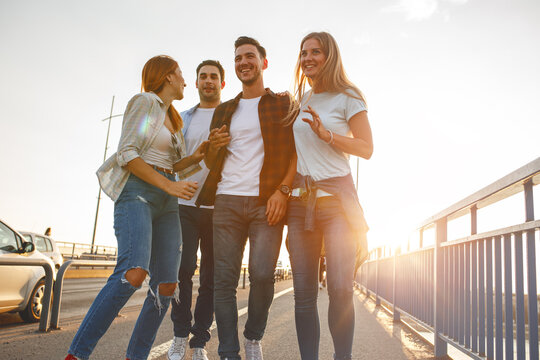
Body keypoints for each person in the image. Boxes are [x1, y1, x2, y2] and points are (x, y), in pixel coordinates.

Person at [65, 55, 208, 360]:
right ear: (168, 76)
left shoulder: (174, 119)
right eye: (181, 74)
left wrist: (199, 156)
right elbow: (127, 153)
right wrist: (169, 185)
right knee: (133, 272)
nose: (185, 81)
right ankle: (77, 354)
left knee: (168, 284)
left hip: (167, 200)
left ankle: (136, 356)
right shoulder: (144, 102)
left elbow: (173, 167)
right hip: (137, 193)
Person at [196, 36, 295, 360]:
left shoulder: (281, 102)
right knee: (222, 281)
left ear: (263, 63)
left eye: (249, 56)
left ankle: (253, 337)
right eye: (238, 58)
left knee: (263, 275)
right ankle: (228, 351)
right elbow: (212, 162)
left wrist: (282, 190)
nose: (243, 62)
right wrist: (214, 146)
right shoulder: (226, 108)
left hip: (266, 201)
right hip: (225, 202)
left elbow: (296, 153)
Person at [284, 32, 373, 360]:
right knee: (304, 296)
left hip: (337, 205)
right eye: (303, 52)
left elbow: (367, 148)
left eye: (315, 52)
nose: (307, 58)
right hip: (300, 205)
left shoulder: (349, 96)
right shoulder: (301, 100)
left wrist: (328, 135)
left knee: (339, 287)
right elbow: (296, 153)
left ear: (329, 56)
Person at [167, 60, 226, 360]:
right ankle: (179, 334)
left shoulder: (232, 115)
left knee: (211, 278)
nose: (208, 81)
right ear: (197, 82)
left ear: (222, 83)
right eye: (203, 76)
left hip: (219, 207)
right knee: (182, 269)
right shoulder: (182, 117)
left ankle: (199, 340)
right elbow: (172, 160)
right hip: (184, 205)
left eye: (214, 76)